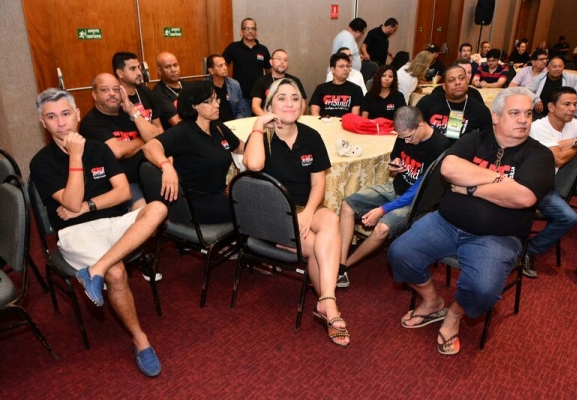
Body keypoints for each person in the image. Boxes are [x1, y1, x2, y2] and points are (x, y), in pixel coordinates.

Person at [389, 87, 555, 355]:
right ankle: (432, 301)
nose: (523, 119)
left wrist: (470, 188)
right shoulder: (476, 139)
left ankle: (454, 315)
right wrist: (501, 180)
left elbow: (523, 197)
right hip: (445, 223)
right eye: (514, 113)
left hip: (498, 237)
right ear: (496, 116)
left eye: (527, 113)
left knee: (482, 289)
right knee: (399, 253)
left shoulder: (539, 155)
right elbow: (449, 168)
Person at [30, 87, 167, 376]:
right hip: (75, 233)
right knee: (116, 273)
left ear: (77, 115)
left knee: (157, 208)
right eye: (52, 117)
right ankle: (140, 339)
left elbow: (122, 193)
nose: (61, 123)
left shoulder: (100, 149)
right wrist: (75, 157)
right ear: (43, 122)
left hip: (112, 222)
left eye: (66, 114)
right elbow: (69, 203)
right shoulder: (41, 162)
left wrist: (87, 205)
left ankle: (96, 270)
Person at [244, 78, 350, 347]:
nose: (290, 103)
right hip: (272, 217)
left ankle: (326, 301)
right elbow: (253, 164)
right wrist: (259, 124)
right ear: (270, 105)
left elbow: (318, 184)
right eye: (281, 98)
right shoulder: (261, 137)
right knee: (318, 247)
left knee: (331, 220)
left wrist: (307, 213)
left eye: (295, 98)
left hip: (304, 208)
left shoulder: (311, 136)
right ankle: (330, 307)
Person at [338, 106, 450, 287]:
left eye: (409, 137)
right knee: (347, 204)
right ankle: (340, 265)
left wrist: (382, 209)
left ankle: (346, 266)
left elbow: (417, 190)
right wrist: (395, 163)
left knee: (381, 228)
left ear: (421, 126)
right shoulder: (404, 135)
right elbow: (395, 157)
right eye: (402, 137)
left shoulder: (440, 146)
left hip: (415, 200)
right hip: (395, 186)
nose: (406, 141)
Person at [523, 86, 577, 278]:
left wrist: (576, 142)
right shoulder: (539, 128)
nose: (573, 109)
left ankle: (529, 250)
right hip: (528, 184)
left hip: (547, 187)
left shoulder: (574, 124)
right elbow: (559, 159)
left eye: (574, 104)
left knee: (569, 218)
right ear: (551, 107)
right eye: (566, 104)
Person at [143, 80, 245, 224]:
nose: (217, 105)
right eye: (209, 102)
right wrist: (166, 166)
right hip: (193, 201)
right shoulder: (184, 131)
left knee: (254, 200)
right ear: (193, 106)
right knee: (249, 209)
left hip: (219, 194)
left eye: (216, 99)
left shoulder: (218, 127)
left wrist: (262, 132)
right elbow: (149, 147)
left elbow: (241, 147)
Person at [80, 73, 160, 211]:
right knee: (147, 213)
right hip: (119, 184)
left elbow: (155, 136)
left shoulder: (128, 113)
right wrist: (142, 140)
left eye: (116, 89)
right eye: (105, 90)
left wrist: (132, 110)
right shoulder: (91, 122)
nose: (112, 93)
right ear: (94, 95)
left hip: (148, 174)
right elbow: (117, 151)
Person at [417, 65, 493, 140]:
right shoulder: (428, 102)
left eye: (461, 78)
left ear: (467, 81)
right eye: (451, 80)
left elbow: (487, 141)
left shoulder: (481, 111)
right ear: (444, 86)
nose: (457, 82)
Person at [222, 18, 271, 112]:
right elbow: (221, 65)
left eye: (253, 28)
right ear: (241, 31)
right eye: (247, 28)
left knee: (261, 120)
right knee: (244, 120)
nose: (250, 31)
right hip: (240, 97)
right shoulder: (233, 47)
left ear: (256, 31)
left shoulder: (263, 49)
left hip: (259, 97)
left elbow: (269, 70)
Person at [112, 52, 164, 132]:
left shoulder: (146, 92)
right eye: (133, 69)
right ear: (120, 73)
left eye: (139, 67)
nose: (139, 72)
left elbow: (158, 127)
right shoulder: (114, 99)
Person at [251, 49, 307, 115]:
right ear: (271, 62)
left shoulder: (294, 81)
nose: (282, 62)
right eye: (279, 59)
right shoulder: (261, 81)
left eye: (285, 60)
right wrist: (268, 119)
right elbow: (255, 106)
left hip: (290, 117)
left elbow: (303, 103)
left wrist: (296, 118)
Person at [310, 53, 363, 117]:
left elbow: (355, 115)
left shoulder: (356, 90)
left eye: (347, 66)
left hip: (345, 123)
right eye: (341, 66)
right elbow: (314, 112)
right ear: (332, 69)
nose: (346, 69)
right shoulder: (321, 88)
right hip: (323, 122)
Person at [206, 54, 250, 122]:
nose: (225, 68)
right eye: (220, 66)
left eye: (225, 64)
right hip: (213, 125)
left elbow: (241, 108)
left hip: (233, 124)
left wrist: (236, 123)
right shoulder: (204, 87)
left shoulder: (234, 84)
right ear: (211, 71)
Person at [152, 52, 185, 128]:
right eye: (168, 67)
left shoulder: (187, 86)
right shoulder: (158, 93)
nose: (173, 70)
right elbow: (177, 122)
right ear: (159, 71)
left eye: (175, 65)